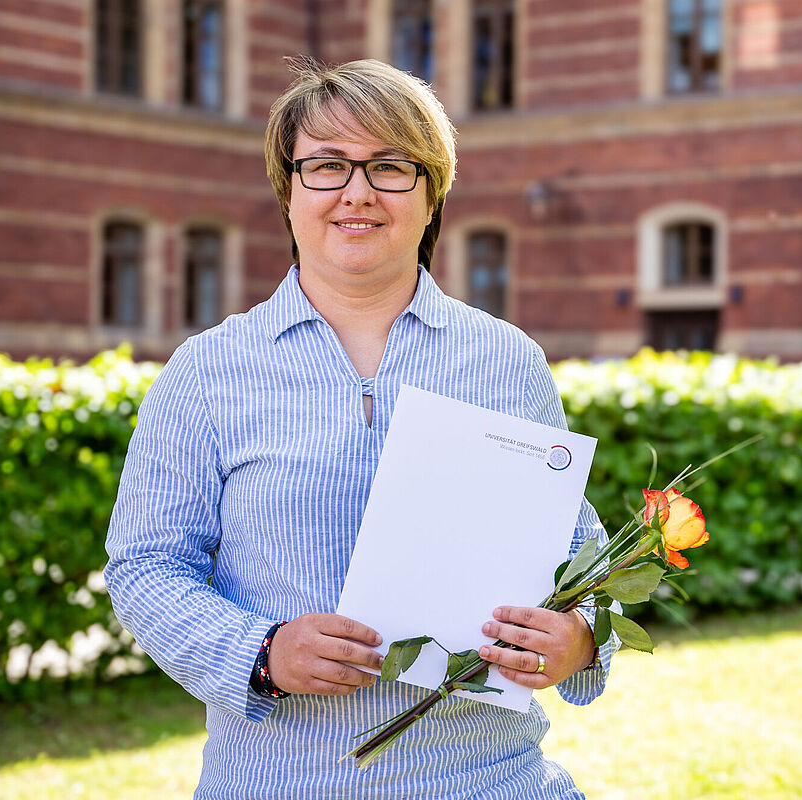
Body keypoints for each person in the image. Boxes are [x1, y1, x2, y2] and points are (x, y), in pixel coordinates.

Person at [104, 58, 617, 799]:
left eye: (390, 167)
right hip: (279, 783)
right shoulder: (209, 370)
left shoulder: (507, 361)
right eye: (326, 165)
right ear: (289, 190)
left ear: (431, 190)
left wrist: (581, 637)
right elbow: (145, 565)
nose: (356, 191)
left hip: (489, 782)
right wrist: (261, 652)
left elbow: (578, 555)